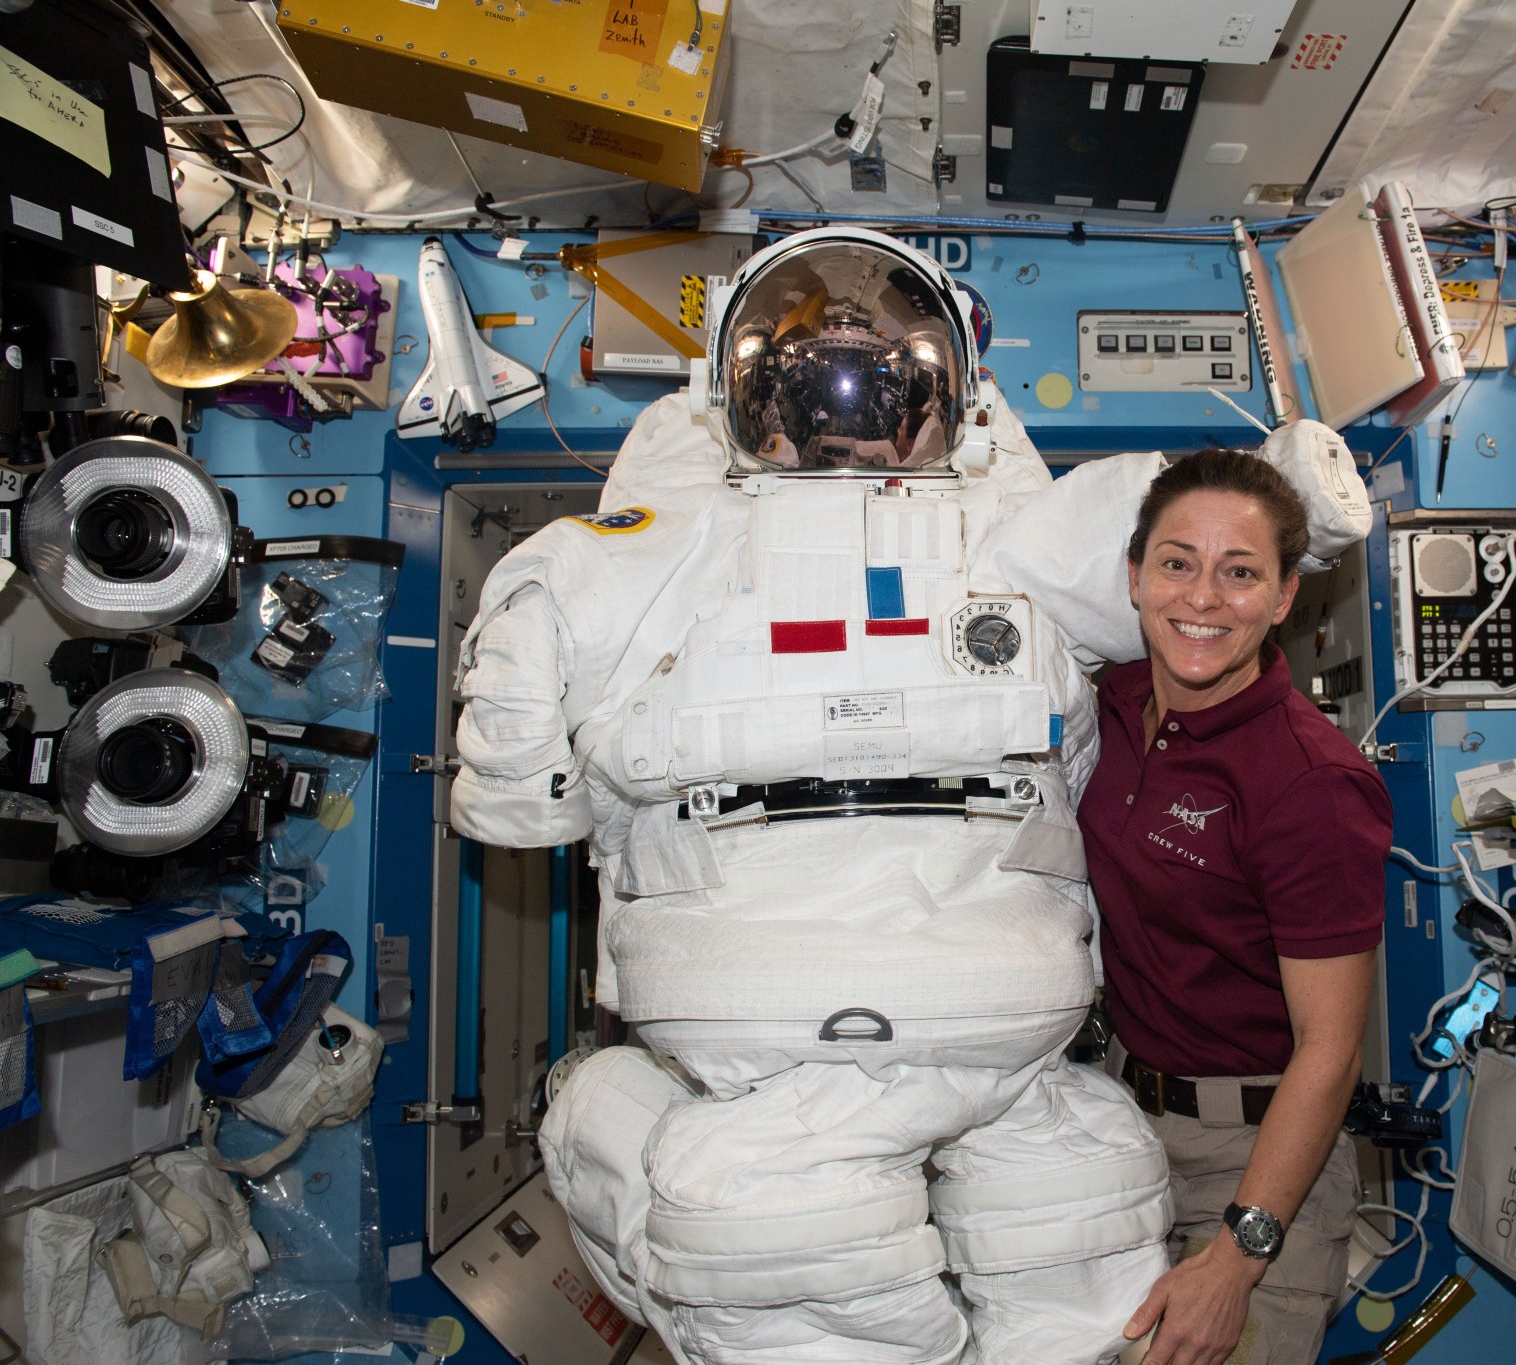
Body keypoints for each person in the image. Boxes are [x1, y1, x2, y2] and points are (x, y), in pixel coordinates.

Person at [452, 226, 1369, 1364]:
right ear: (744, 400)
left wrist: (1291, 500)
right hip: (881, 1013)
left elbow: (1171, 530)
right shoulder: (662, 544)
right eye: (813, 369)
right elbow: (518, 798)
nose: (843, 391)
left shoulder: (1014, 539)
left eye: (878, 372)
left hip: (920, 1020)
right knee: (850, 1235)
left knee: (986, 1234)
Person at [1080, 447, 1391, 1365]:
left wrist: (1240, 1254)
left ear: (1285, 596)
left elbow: (1330, 1048)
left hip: (1258, 1152)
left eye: (1240, 572)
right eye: (1178, 563)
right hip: (1118, 1119)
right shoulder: (1109, 699)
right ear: (1135, 577)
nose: (1203, 599)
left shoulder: (1311, 784)